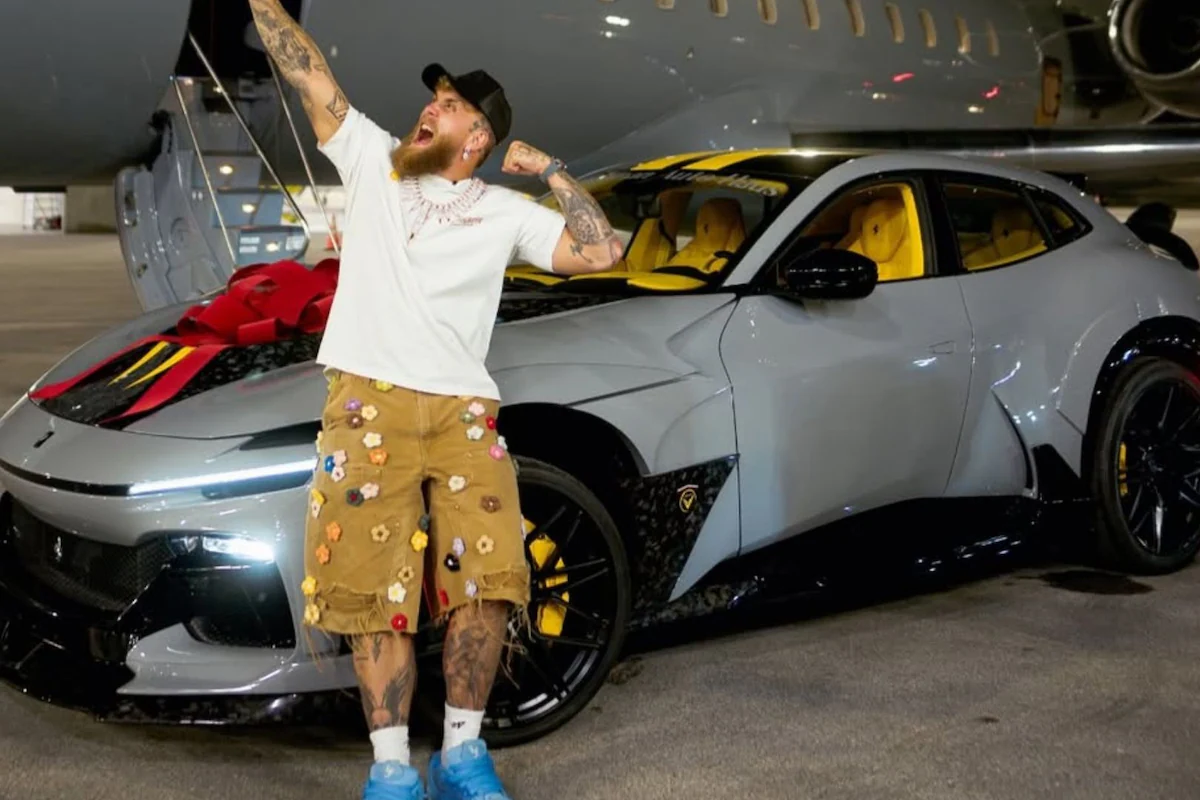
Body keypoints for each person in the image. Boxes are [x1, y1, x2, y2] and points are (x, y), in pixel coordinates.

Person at [247, 3, 624, 798]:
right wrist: (266, 6)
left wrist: (551, 171)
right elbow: (310, 76)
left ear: (479, 138)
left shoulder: (505, 212)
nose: (430, 109)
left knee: (488, 583)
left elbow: (600, 252)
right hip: (367, 408)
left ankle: (462, 757)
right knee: (369, 591)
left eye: (450, 104)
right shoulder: (372, 160)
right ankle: (392, 772)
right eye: (433, 99)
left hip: (463, 417)